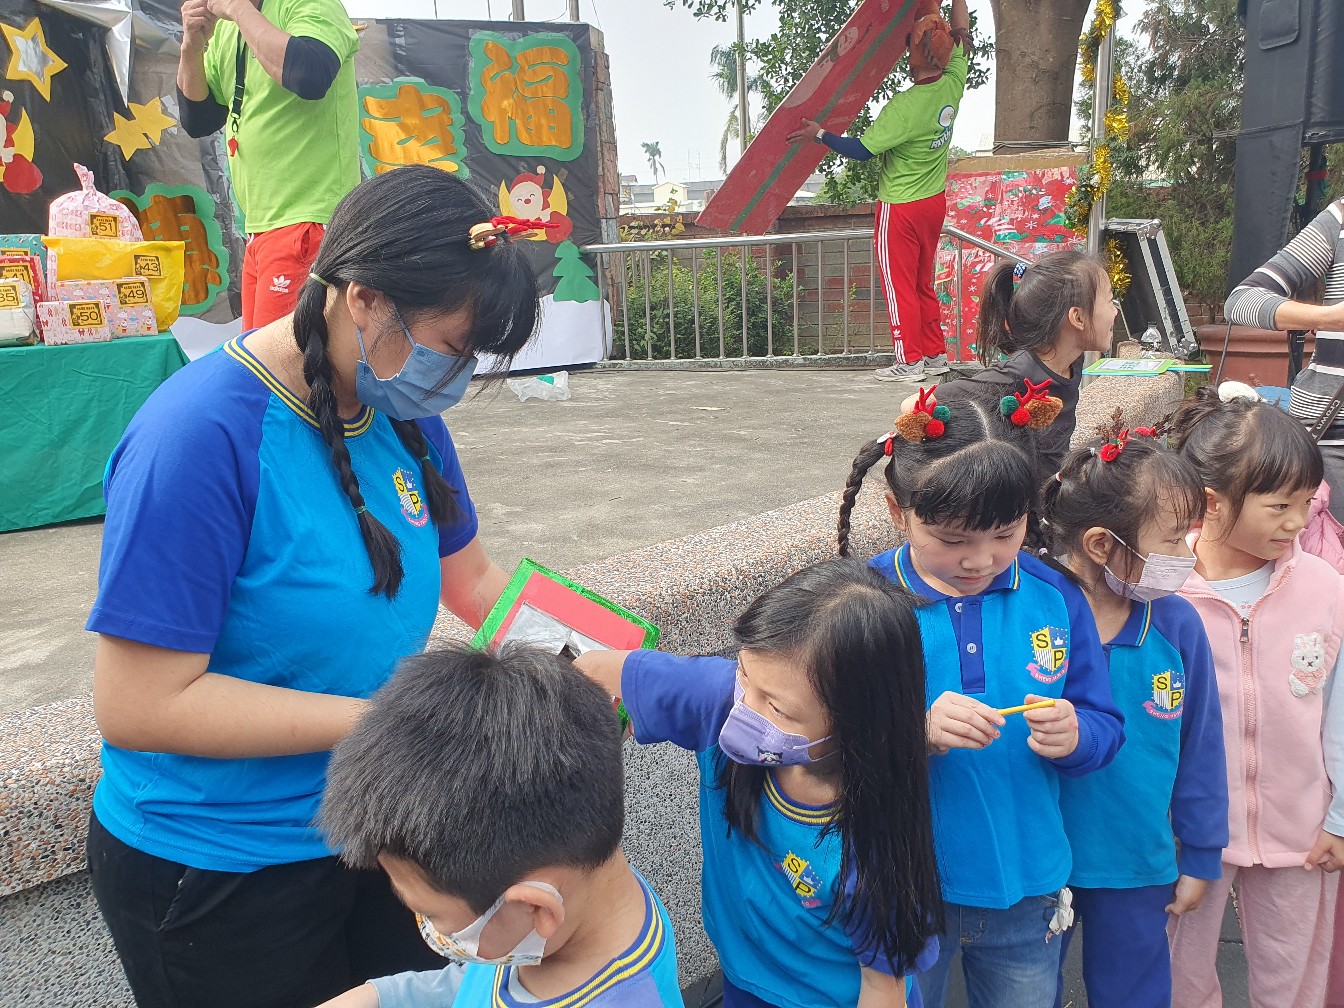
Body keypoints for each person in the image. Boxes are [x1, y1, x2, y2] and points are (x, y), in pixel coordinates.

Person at [84, 166, 541, 1008]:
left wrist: (579, 661)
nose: (457, 377)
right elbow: (140, 704)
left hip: (370, 827)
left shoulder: (401, 412)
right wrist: (398, 724)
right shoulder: (196, 438)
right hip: (221, 866)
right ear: (363, 298)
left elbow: (471, 578)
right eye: (452, 349)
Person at [836, 384, 1125, 1008]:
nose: (981, 559)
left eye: (1005, 532)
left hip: (1028, 878)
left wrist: (1078, 735)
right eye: (951, 539)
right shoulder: (861, 605)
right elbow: (820, 744)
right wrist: (912, 732)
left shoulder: (1056, 595)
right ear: (898, 511)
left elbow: (1104, 722)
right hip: (903, 885)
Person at [576, 559, 943, 1008]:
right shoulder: (722, 699)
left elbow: (883, 991)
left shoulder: (877, 844)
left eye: (778, 709)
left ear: (859, 724)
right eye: (744, 675)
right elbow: (592, 667)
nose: (744, 711)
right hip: (745, 979)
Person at [314, 645, 683, 1008]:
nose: (428, 928)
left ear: (537, 909)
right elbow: (479, 983)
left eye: (433, 916)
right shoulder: (584, 882)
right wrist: (380, 997)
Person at [1167, 384, 1344, 1008]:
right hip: (1188, 833)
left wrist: (1340, 817)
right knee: (1179, 976)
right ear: (1212, 502)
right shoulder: (1164, 592)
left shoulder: (1324, 586)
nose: (1298, 523)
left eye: (1307, 502)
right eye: (1279, 506)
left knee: (1293, 982)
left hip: (1304, 829)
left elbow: (1339, 712)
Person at [1039, 429, 1227, 1008]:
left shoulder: (1176, 625)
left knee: (1135, 993)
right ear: (1100, 543)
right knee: (1026, 991)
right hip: (1039, 857)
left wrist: (1201, 852)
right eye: (1172, 540)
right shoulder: (1032, 613)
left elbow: (1201, 746)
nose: (1187, 556)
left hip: (1137, 857)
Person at [787, 0, 970, 383]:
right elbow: (962, 32)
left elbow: (861, 150)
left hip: (901, 207)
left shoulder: (904, 108)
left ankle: (909, 361)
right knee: (922, 282)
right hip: (933, 203)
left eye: (908, 42)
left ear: (914, 55)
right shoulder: (954, 80)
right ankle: (934, 355)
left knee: (899, 284)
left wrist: (819, 135)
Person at [177, 0, 360, 328]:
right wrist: (191, 44)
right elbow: (198, 118)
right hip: (260, 228)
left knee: (278, 357)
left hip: (308, 219)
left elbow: (310, 75)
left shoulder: (309, 4)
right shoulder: (227, 29)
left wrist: (238, 9)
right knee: (257, 353)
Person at [913, 250, 1117, 476]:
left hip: (1055, 488)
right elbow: (914, 404)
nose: (1115, 311)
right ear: (1077, 318)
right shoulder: (1017, 373)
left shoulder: (1073, 360)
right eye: (1109, 301)